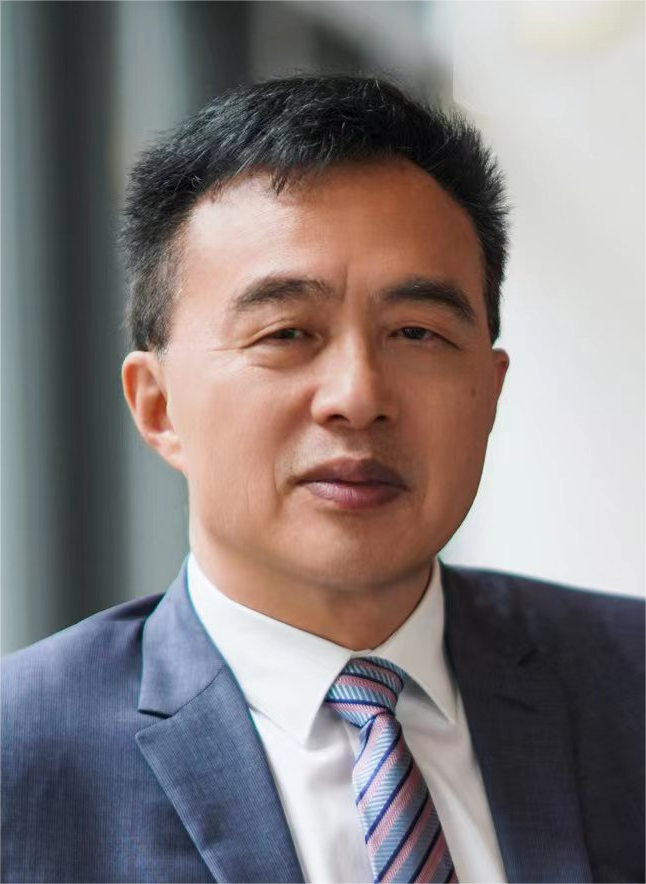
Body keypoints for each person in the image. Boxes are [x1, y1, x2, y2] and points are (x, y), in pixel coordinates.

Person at [0, 75, 643, 884]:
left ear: (490, 392)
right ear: (159, 407)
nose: (358, 396)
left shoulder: (627, 684)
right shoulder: (23, 761)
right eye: (285, 333)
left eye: (416, 332)